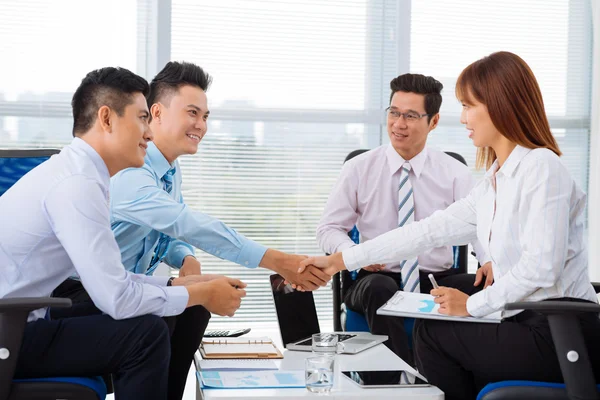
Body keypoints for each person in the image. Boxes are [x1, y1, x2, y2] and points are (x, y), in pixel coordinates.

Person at [300, 51, 600, 400]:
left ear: (501, 104)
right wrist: (340, 260)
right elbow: (425, 231)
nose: (464, 118)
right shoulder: (494, 181)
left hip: (561, 333)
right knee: (439, 334)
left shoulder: (542, 168)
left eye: (469, 106)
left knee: (434, 334)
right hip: (524, 323)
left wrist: (470, 306)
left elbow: (541, 268)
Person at [52, 61, 329, 400]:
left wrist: (187, 260)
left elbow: (168, 233)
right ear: (156, 113)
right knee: (168, 309)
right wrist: (277, 260)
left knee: (193, 307)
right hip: (80, 294)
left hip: (125, 285)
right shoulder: (131, 173)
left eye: (206, 117)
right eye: (193, 113)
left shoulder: (168, 169)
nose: (201, 125)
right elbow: (187, 222)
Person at [0, 67, 246, 399]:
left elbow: (115, 279)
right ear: (107, 118)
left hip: (22, 324)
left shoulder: (82, 174)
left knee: (156, 319)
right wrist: (199, 294)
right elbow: (116, 299)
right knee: (145, 335)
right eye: (142, 118)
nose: (148, 131)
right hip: (11, 337)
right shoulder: (77, 185)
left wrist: (179, 284)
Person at [316, 73, 490, 364]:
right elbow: (329, 229)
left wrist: (488, 260)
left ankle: (459, 376)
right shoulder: (358, 168)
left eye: (410, 116)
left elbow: (479, 227)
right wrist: (354, 253)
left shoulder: (454, 172)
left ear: (433, 121)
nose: (398, 124)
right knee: (380, 289)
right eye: (394, 113)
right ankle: (396, 378)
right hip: (376, 278)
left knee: (484, 288)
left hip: (435, 279)